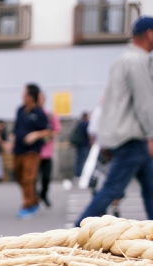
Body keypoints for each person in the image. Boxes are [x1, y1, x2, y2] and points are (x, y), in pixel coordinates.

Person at [77, 18, 153, 223]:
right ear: (149, 34)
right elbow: (145, 102)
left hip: (120, 135)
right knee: (112, 189)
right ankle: (76, 230)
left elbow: (109, 103)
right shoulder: (138, 61)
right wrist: (152, 135)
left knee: (150, 189)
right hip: (131, 137)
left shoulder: (122, 59)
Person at [9, 83, 50, 220]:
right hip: (18, 150)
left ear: (32, 97)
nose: (23, 96)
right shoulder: (20, 110)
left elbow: (48, 131)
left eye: (26, 94)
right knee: (19, 176)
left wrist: (35, 135)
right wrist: (12, 141)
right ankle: (34, 200)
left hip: (32, 151)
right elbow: (15, 129)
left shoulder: (40, 113)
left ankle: (28, 205)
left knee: (28, 178)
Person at [37, 92, 61, 208]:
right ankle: (34, 198)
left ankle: (43, 194)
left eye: (42, 98)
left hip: (47, 152)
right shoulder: (32, 115)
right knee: (32, 178)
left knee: (46, 176)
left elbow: (57, 129)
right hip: (34, 152)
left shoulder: (50, 115)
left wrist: (48, 134)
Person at [71, 112, 91, 179]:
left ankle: (76, 175)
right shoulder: (87, 124)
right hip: (85, 145)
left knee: (78, 160)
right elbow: (90, 133)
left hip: (79, 144)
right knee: (83, 161)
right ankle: (81, 175)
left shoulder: (79, 123)